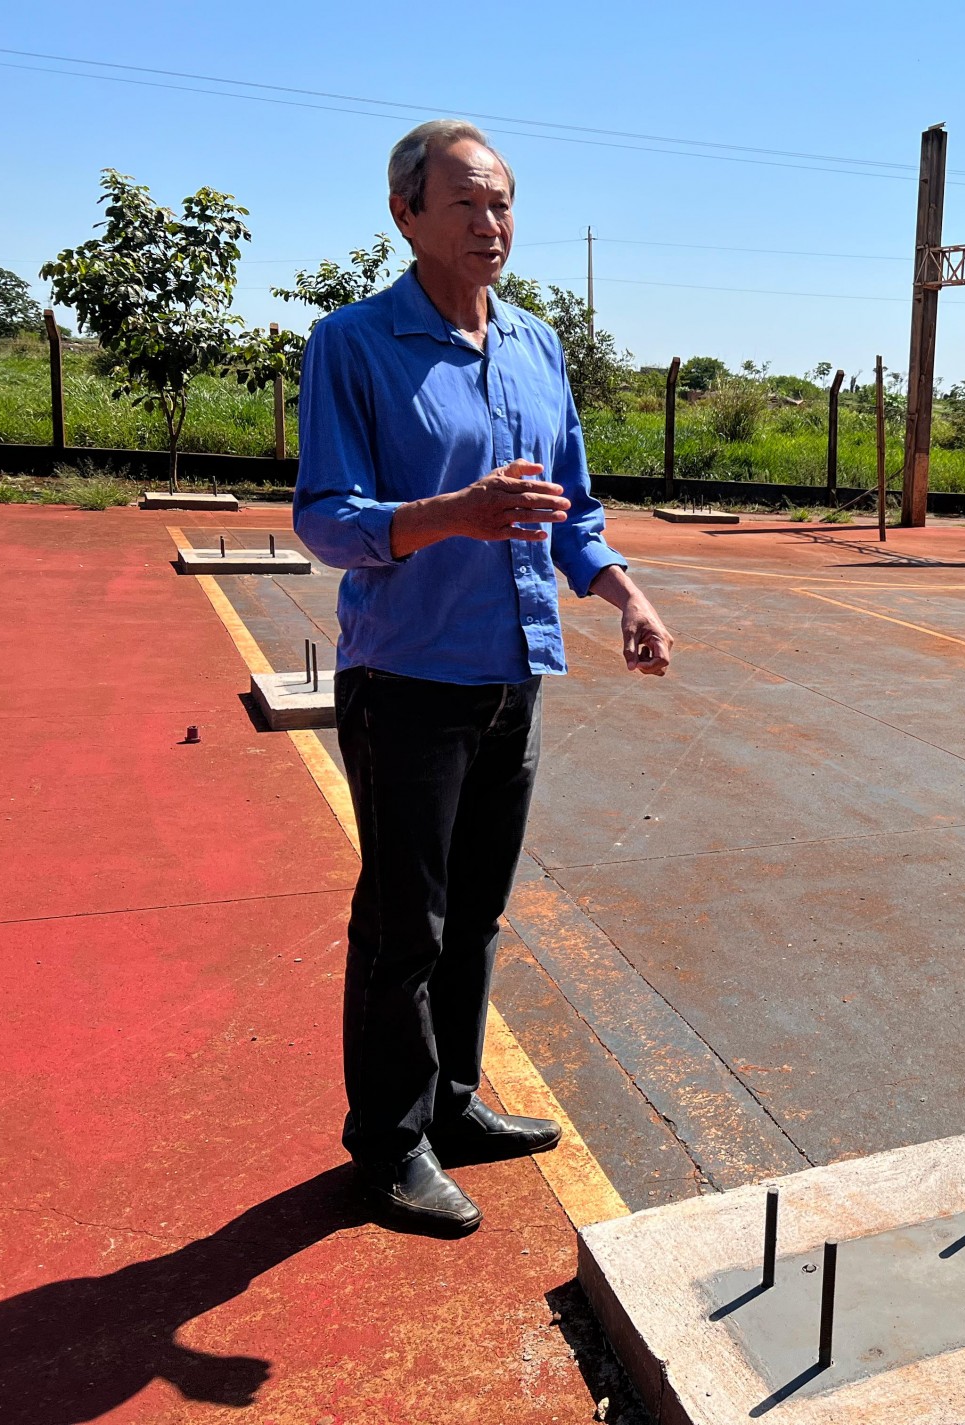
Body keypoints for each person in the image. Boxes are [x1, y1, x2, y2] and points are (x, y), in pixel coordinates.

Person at [293, 119, 673, 1233]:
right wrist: (451, 516)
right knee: (401, 925)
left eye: (503, 201)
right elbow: (325, 518)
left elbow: (573, 511)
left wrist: (623, 595)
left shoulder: (537, 347)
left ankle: (453, 1103)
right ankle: (388, 1144)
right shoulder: (354, 345)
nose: (490, 221)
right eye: (464, 202)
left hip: (514, 675)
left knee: (477, 915)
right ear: (405, 214)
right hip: (407, 679)